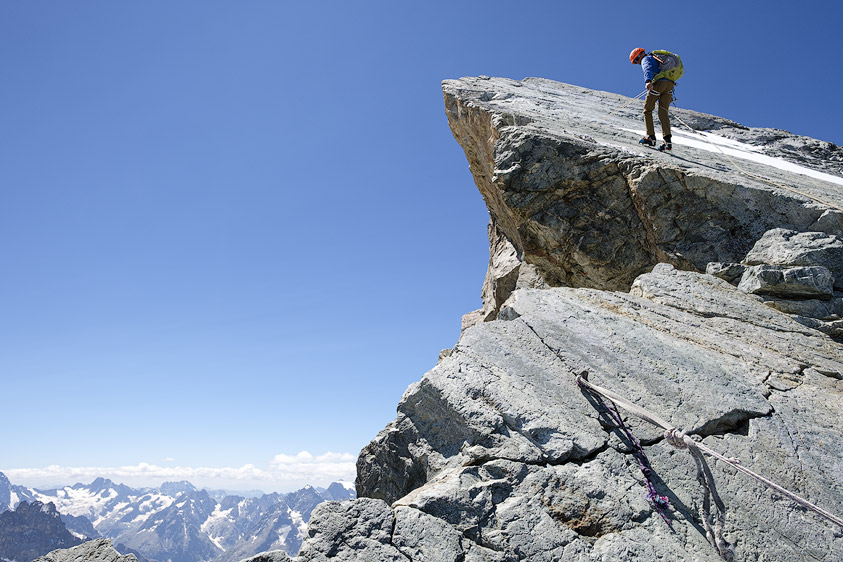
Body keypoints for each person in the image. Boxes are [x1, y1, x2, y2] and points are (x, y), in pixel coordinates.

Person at [629, 48, 677, 152]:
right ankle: (667, 142)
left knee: (647, 109)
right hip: (669, 85)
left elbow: (648, 68)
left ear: (640, 55)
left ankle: (651, 137)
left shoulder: (646, 59)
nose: (638, 63)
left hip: (658, 84)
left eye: (636, 60)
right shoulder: (656, 58)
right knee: (663, 112)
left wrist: (648, 81)